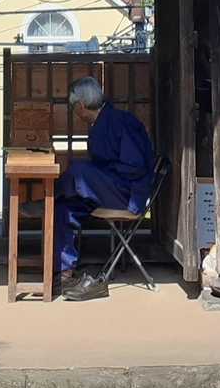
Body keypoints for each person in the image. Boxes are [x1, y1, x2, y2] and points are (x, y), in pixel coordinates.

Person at [54, 76, 154, 301]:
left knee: (78, 170)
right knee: (63, 208)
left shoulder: (121, 122)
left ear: (81, 105)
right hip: (106, 189)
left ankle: (50, 197)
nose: (74, 112)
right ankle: (65, 272)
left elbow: (135, 167)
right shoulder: (99, 124)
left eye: (73, 107)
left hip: (127, 193)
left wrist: (102, 175)